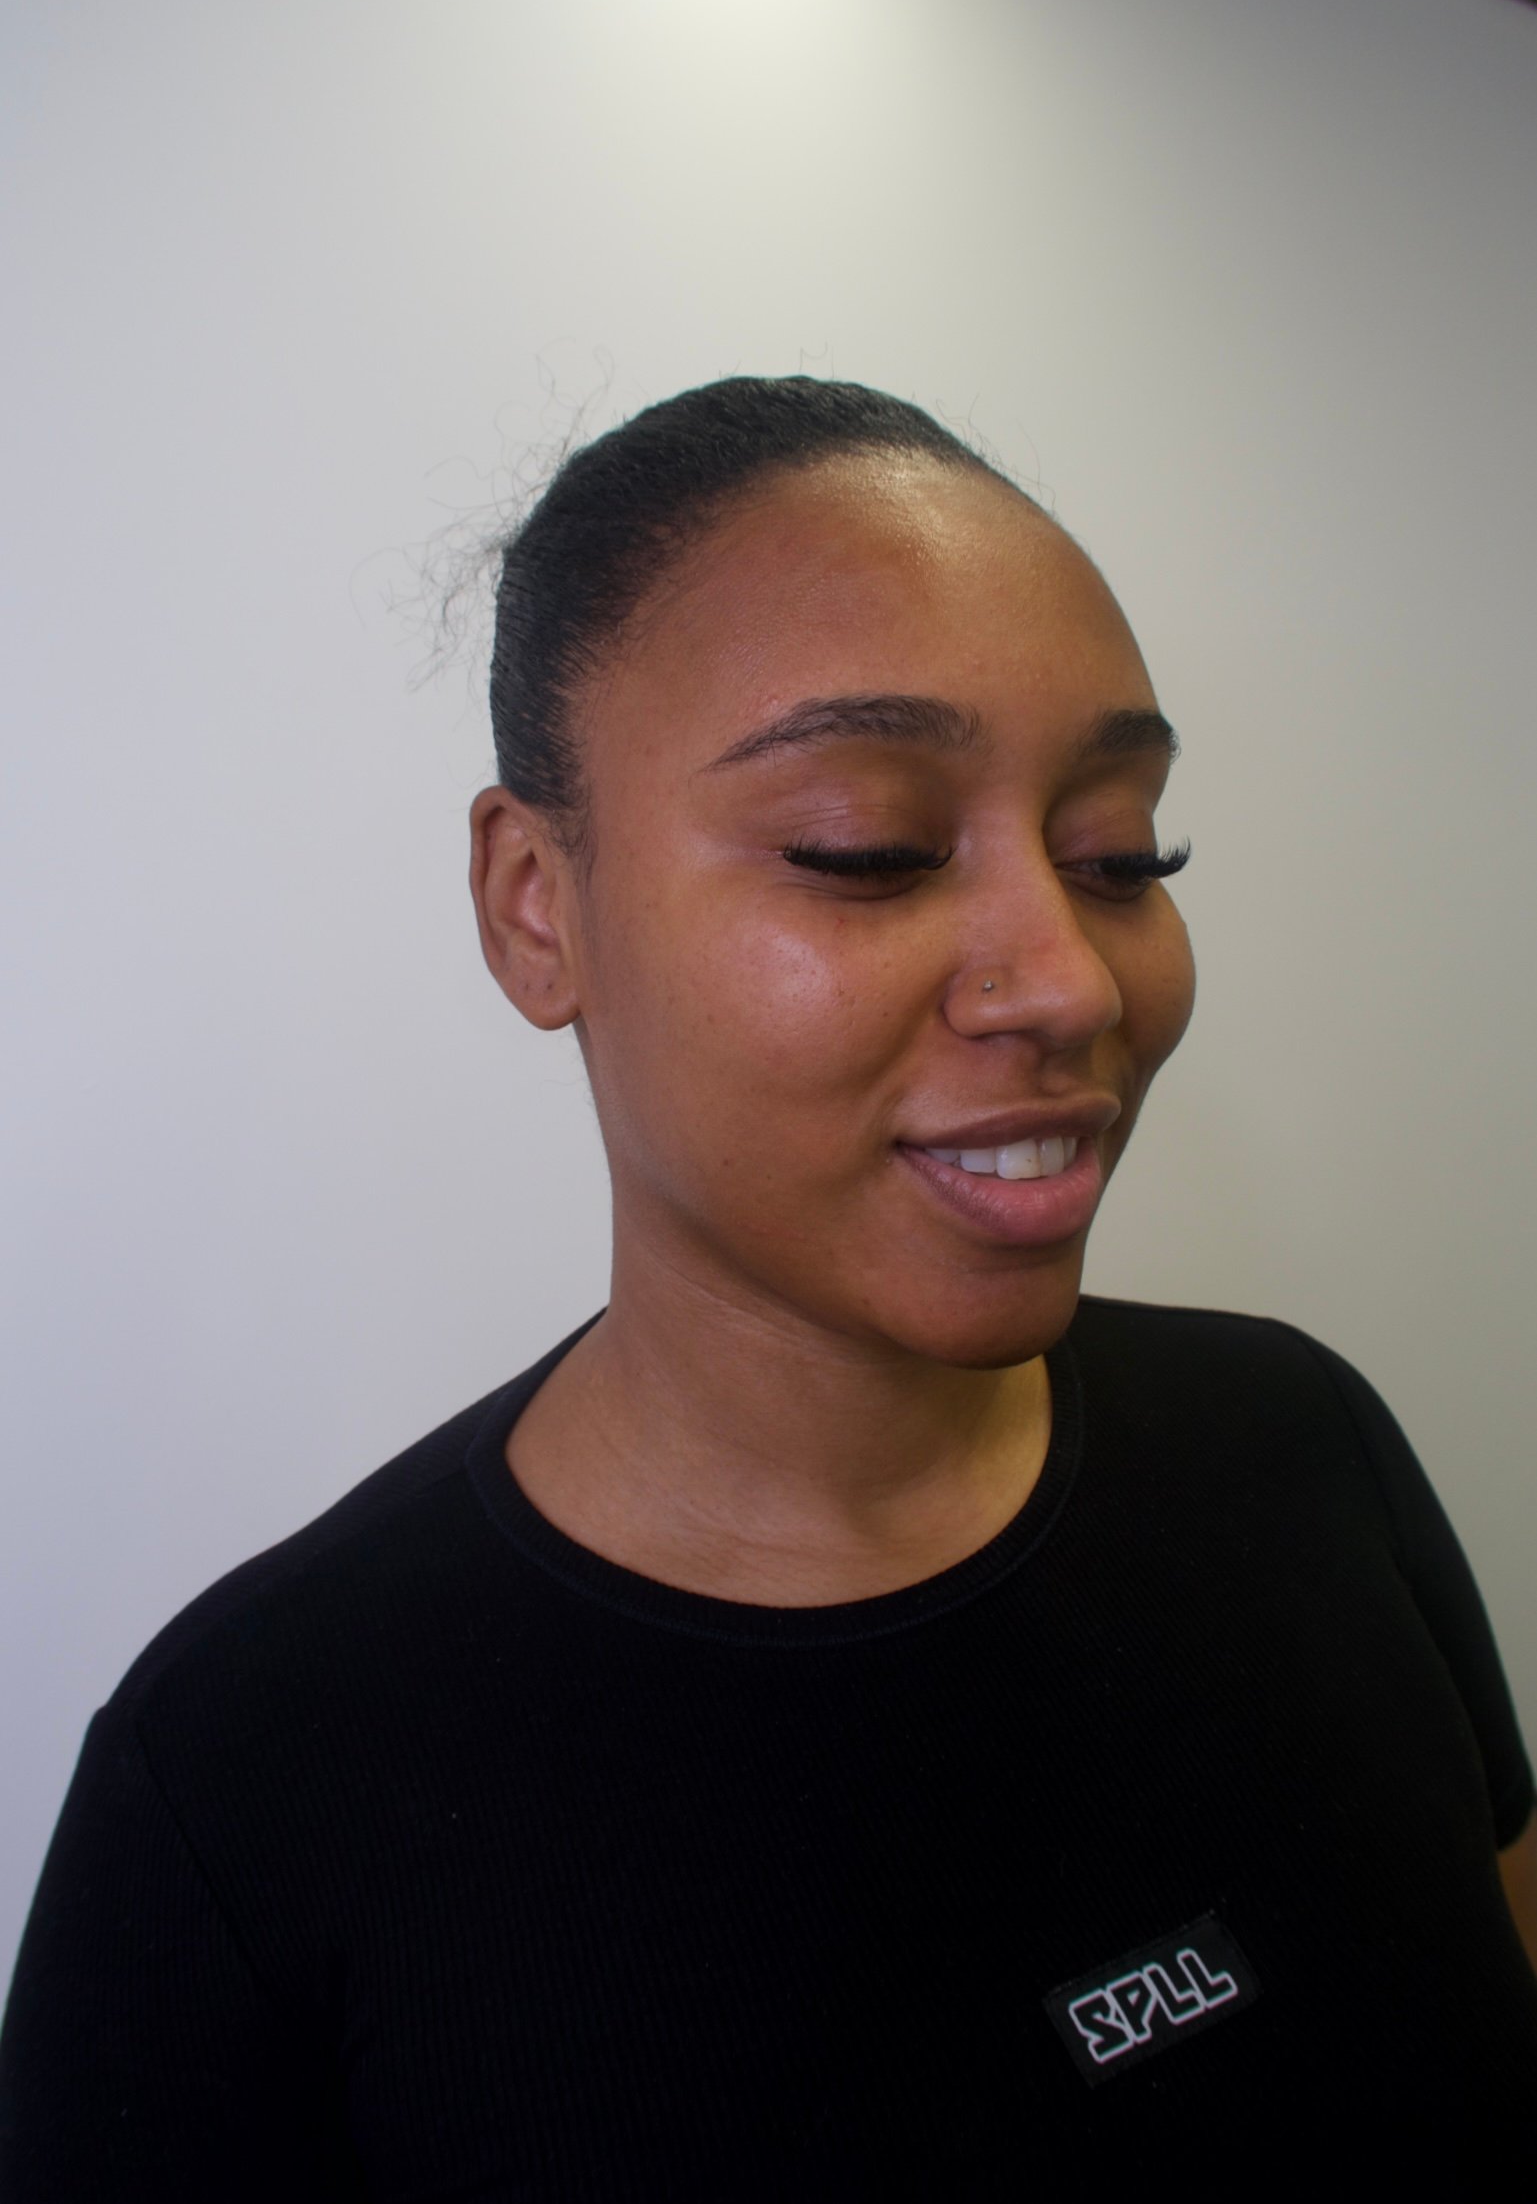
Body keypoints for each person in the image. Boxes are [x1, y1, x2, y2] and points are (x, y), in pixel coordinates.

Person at [2, 376, 1534, 2197]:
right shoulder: (250, 1788)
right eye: (864, 848)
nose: (1066, 978)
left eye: (1119, 851)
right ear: (534, 905)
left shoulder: (1300, 1451)